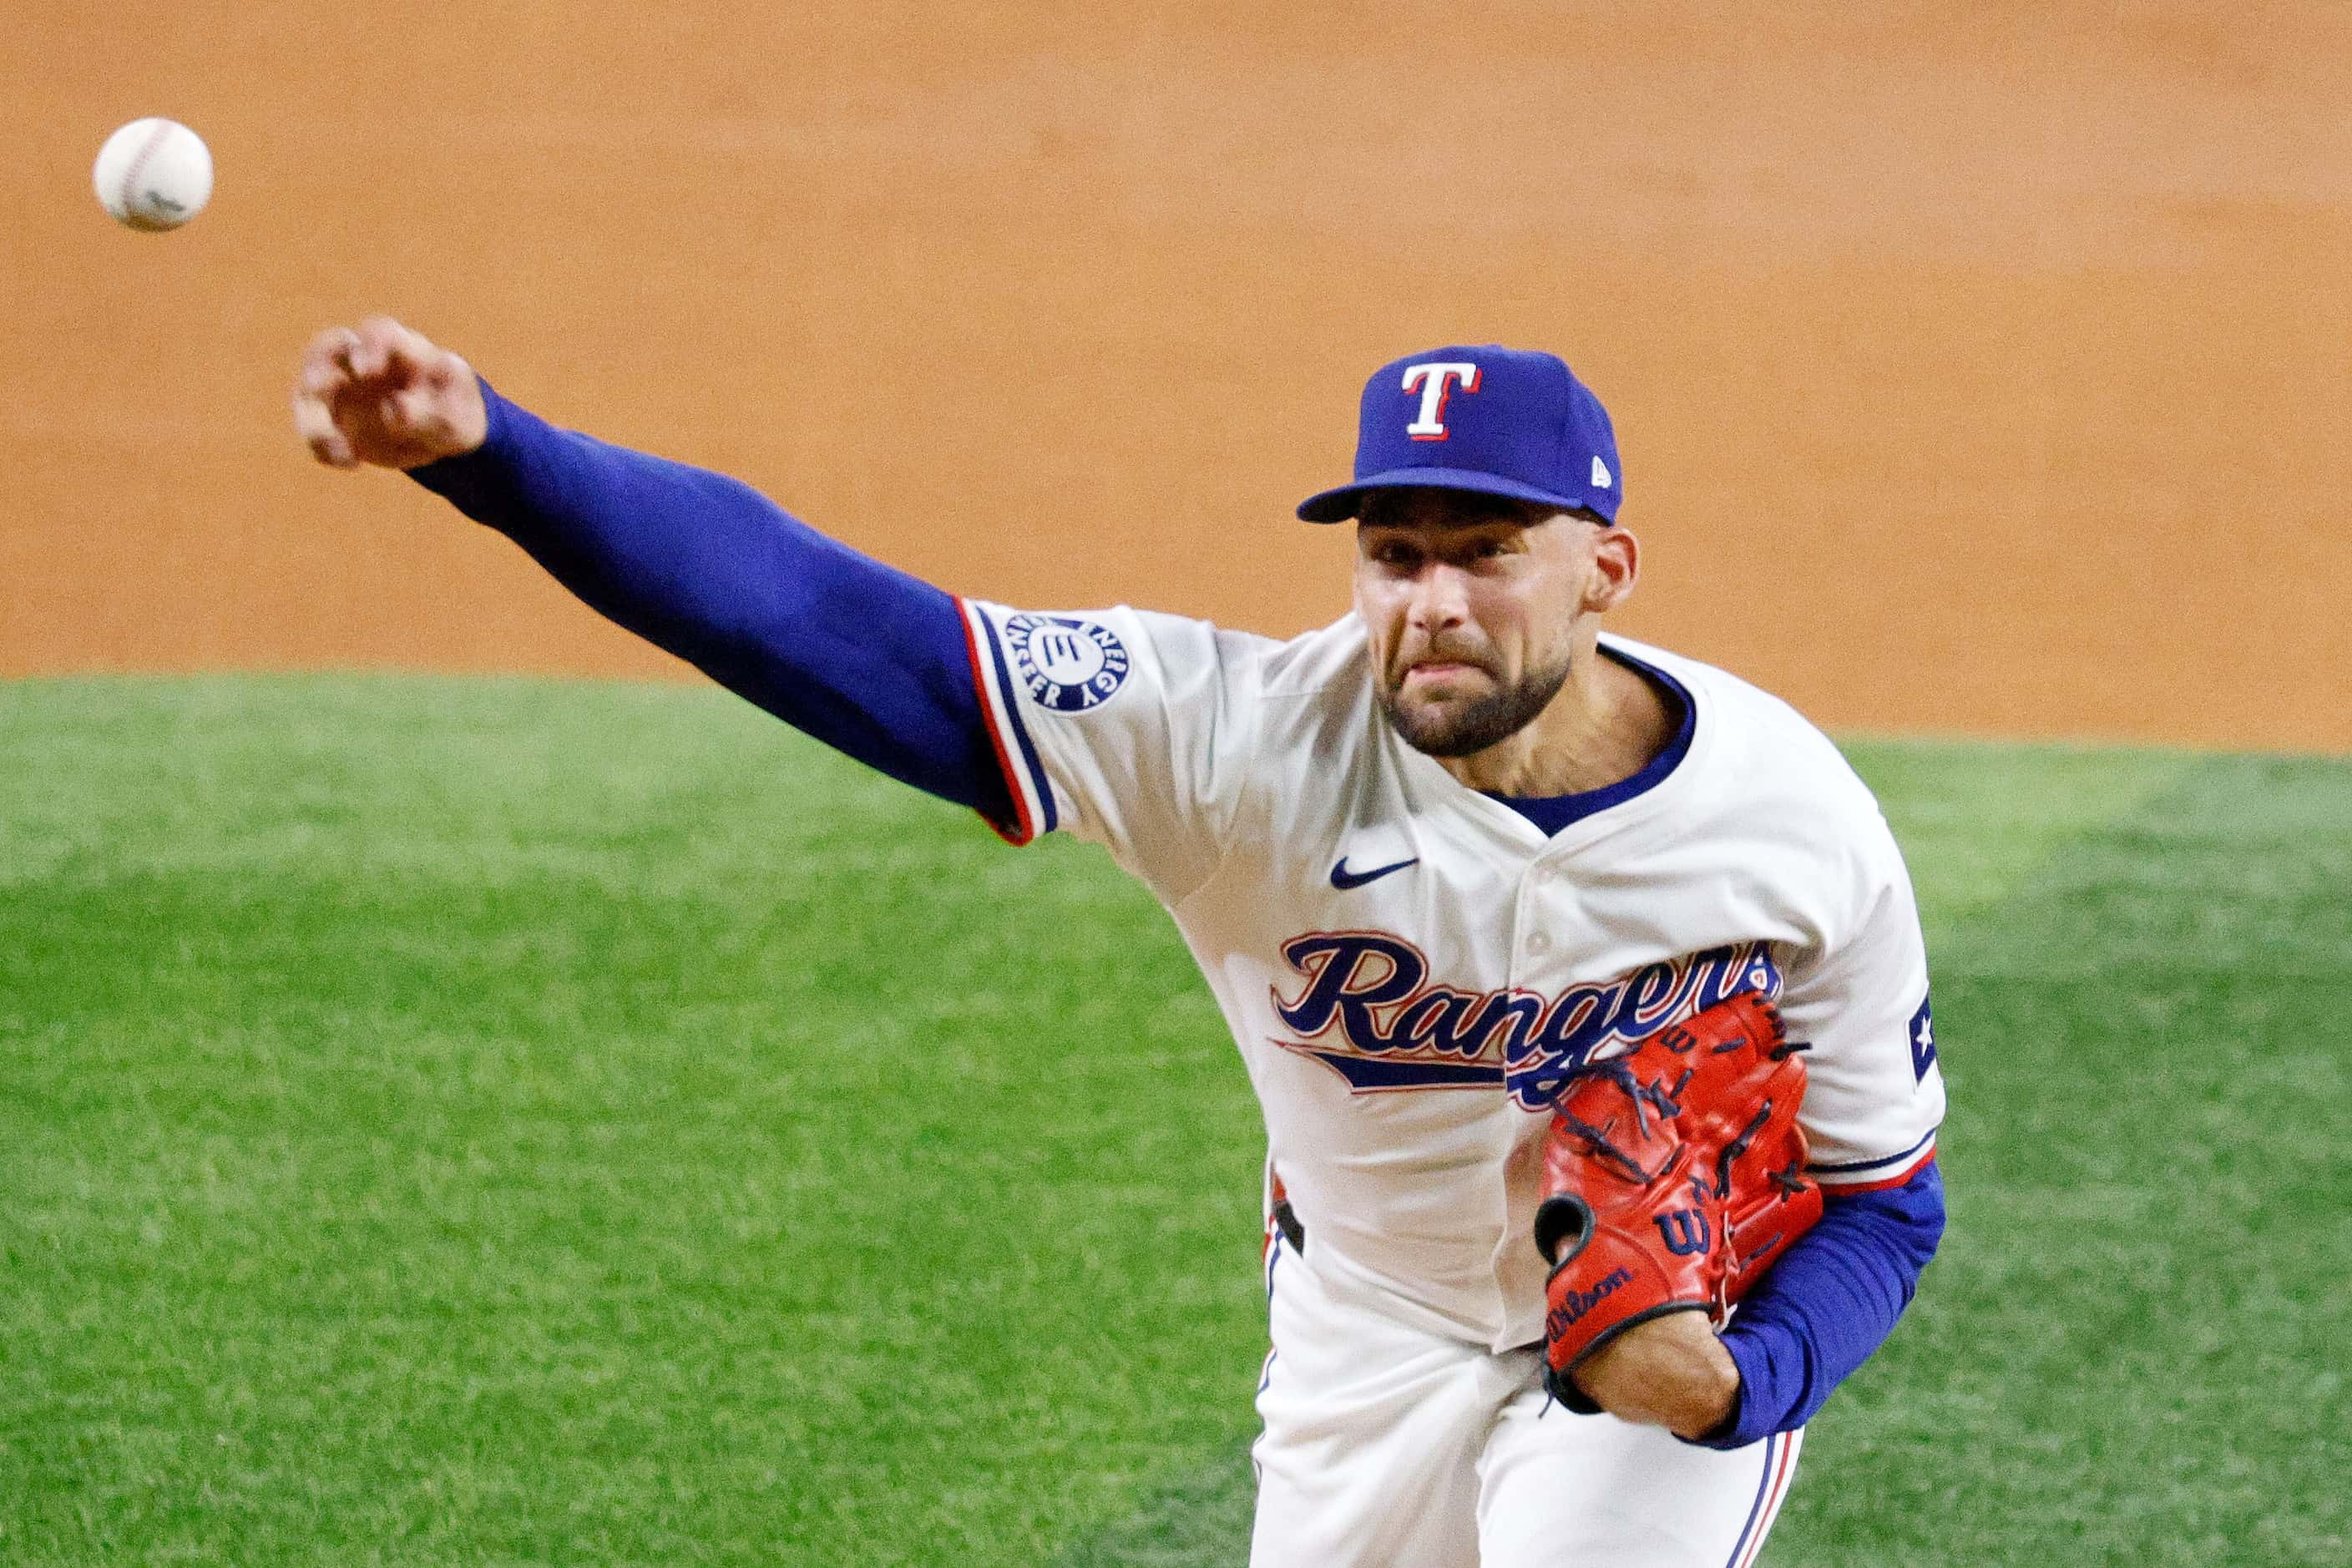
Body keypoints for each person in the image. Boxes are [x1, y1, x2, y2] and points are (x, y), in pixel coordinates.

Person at [292, 321, 1949, 1567]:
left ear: (1605, 569)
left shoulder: (1793, 826)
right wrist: (491, 452)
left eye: (1481, 553)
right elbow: (825, 617)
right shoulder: (1232, 740)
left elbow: (1887, 1198)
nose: (1428, 601)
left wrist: (1747, 1379)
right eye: (1392, 555)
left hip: (1666, 1335)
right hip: (1367, 1322)